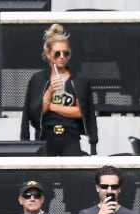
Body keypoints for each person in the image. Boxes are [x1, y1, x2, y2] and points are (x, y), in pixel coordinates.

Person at [20, 23, 97, 156]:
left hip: (71, 136)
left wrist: (51, 106)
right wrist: (49, 91)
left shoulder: (79, 79)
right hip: (45, 137)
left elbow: (82, 112)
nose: (62, 57)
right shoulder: (39, 79)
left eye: (65, 53)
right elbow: (34, 114)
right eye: (57, 53)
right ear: (48, 54)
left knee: (72, 173)